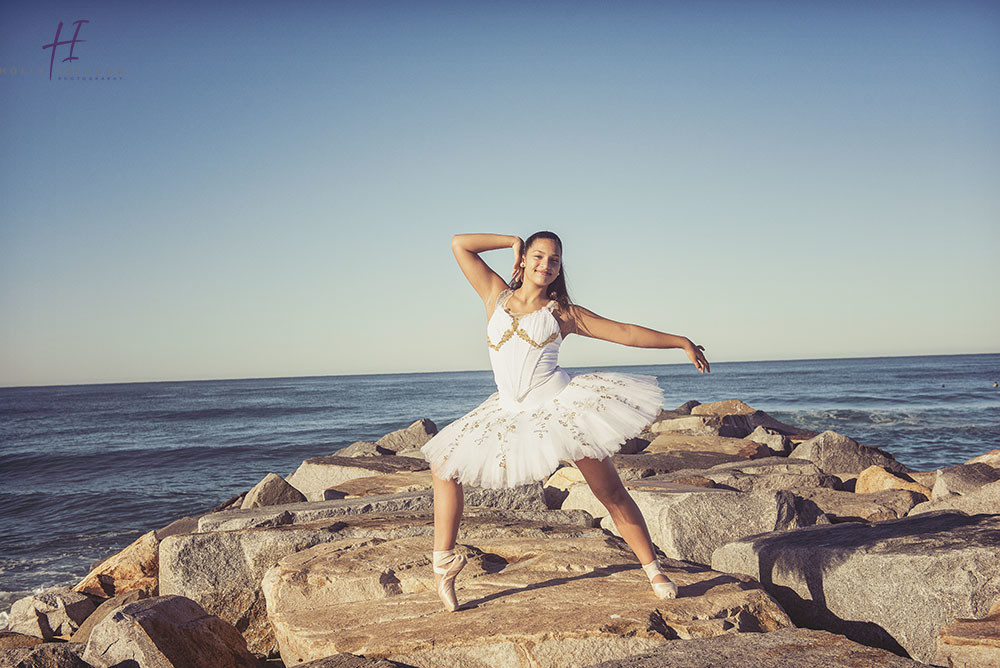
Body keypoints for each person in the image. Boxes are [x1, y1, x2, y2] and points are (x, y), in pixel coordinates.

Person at [420, 231, 710, 612]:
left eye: (554, 260)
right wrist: (511, 240)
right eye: (538, 256)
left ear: (559, 270)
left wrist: (680, 341)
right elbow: (460, 244)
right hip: (506, 410)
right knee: (444, 465)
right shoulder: (494, 294)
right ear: (523, 260)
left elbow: (624, 333)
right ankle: (442, 565)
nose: (546, 265)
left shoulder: (562, 313)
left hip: (561, 407)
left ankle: (654, 569)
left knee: (610, 493)